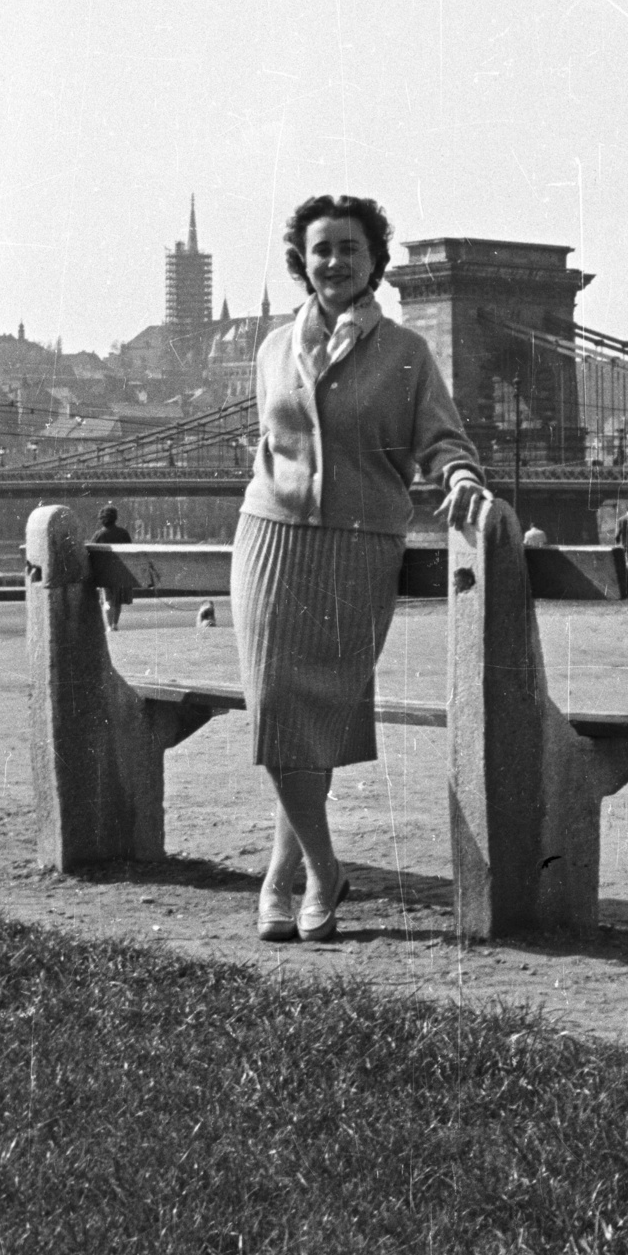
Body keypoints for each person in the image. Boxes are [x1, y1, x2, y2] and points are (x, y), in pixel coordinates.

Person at [234, 193, 492, 944]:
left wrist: (459, 478)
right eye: (320, 249)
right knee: (276, 713)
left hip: (356, 549)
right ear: (300, 261)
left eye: (349, 248)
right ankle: (322, 869)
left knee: (306, 725)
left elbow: (442, 438)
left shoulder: (407, 351)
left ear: (374, 260)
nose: (334, 262)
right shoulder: (272, 348)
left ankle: (284, 875)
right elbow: (271, 446)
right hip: (271, 539)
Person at [90, 504, 132, 631]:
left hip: (104, 573)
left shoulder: (98, 535)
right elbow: (130, 550)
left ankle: (109, 626)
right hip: (120, 571)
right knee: (118, 601)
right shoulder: (123, 533)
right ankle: (115, 624)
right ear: (115, 518)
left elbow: (91, 553)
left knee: (107, 600)